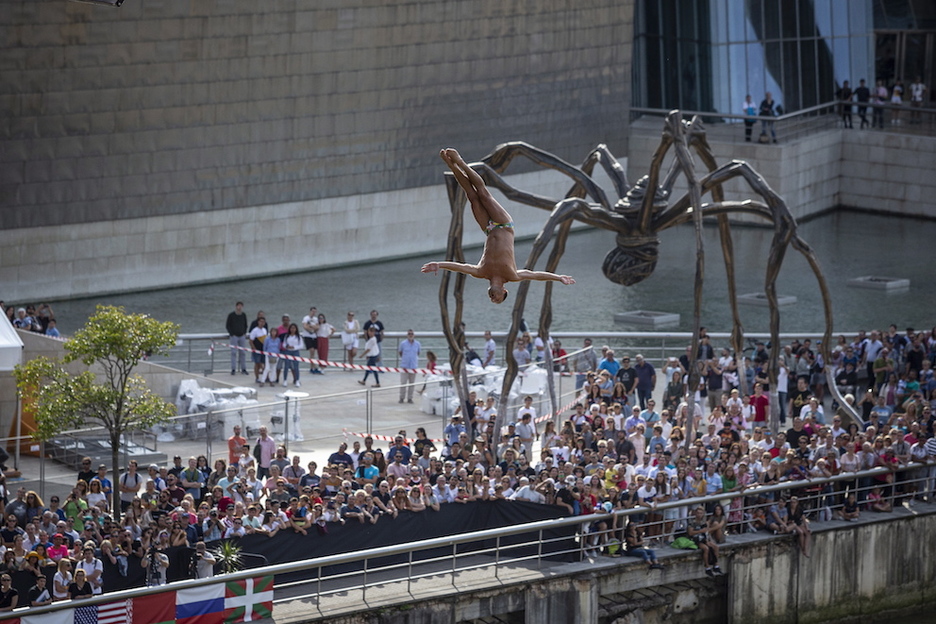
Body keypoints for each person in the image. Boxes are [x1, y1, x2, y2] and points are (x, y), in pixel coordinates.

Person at [421, 148, 575, 303]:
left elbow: (460, 267)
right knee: (483, 194)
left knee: (472, 197)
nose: (493, 299)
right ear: (504, 290)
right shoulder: (512, 275)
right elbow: (535, 275)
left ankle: (451, 165)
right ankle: (460, 162)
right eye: (498, 299)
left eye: (492, 300)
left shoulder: (481, 272)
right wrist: (558, 278)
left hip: (488, 228)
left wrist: (439, 265)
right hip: (504, 224)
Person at [687, 506, 722, 576]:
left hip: (704, 538)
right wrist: (700, 531)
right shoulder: (692, 522)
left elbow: (707, 533)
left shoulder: (705, 523)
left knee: (716, 547)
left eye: (701, 513)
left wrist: (709, 540)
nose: (699, 515)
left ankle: (716, 565)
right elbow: (690, 533)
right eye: (698, 513)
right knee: (706, 549)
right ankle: (707, 566)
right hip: (696, 539)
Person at [398, 329, 421, 403]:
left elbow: (418, 353)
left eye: (412, 334)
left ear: (414, 335)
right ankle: (401, 397)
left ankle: (410, 398)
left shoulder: (417, 344)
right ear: (407, 335)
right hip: (404, 366)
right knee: (403, 383)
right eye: (409, 334)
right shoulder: (403, 343)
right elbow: (400, 352)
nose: (410, 335)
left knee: (412, 383)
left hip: (413, 366)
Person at [226, 301, 249, 375]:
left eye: (241, 306)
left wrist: (244, 332)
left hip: (242, 336)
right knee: (233, 353)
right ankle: (233, 369)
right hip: (234, 336)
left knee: (242, 353)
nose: (239, 307)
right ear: (236, 306)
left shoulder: (243, 315)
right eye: (238, 306)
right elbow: (228, 325)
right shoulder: (231, 315)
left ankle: (243, 369)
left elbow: (245, 324)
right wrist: (231, 334)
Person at [300, 306, 320, 374]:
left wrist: (311, 326)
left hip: (314, 337)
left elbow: (317, 327)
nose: (313, 313)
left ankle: (312, 368)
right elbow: (305, 326)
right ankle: (315, 367)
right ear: (310, 311)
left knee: (313, 353)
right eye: (312, 311)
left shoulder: (316, 319)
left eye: (315, 312)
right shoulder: (306, 318)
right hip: (307, 336)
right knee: (311, 351)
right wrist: (312, 328)